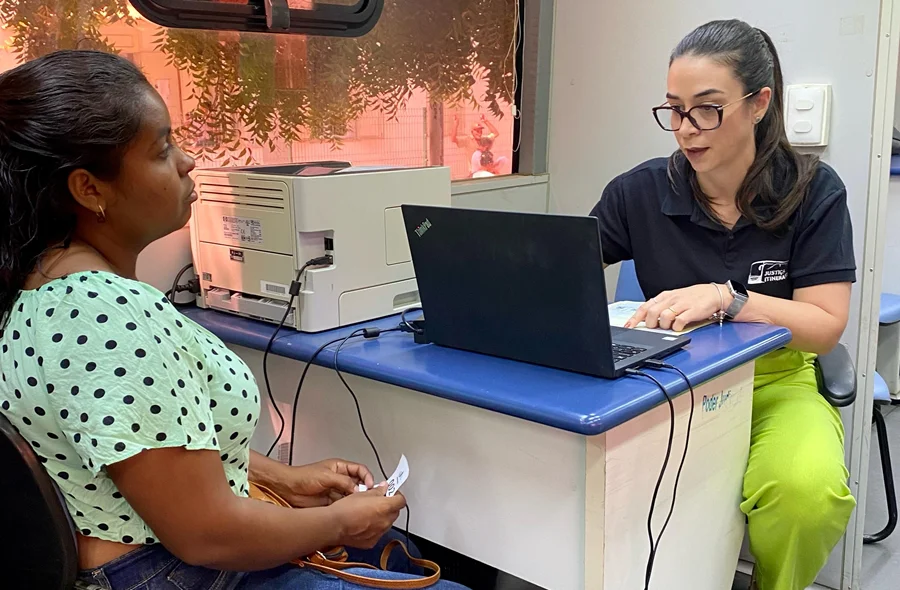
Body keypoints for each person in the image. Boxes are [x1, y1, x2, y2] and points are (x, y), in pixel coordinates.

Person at [0, 50, 468, 590]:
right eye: (161, 149)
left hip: (159, 555)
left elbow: (148, 451)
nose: (187, 162)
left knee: (395, 548)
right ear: (89, 189)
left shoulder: (41, 285)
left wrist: (284, 479)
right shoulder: (104, 314)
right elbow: (207, 535)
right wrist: (339, 521)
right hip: (171, 572)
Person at [589, 20, 856, 590]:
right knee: (598, 482)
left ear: (759, 103)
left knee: (806, 494)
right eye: (674, 110)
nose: (686, 130)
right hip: (666, 383)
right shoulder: (637, 192)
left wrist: (729, 299)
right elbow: (560, 272)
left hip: (774, 382)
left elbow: (825, 326)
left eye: (707, 109)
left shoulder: (814, 191)